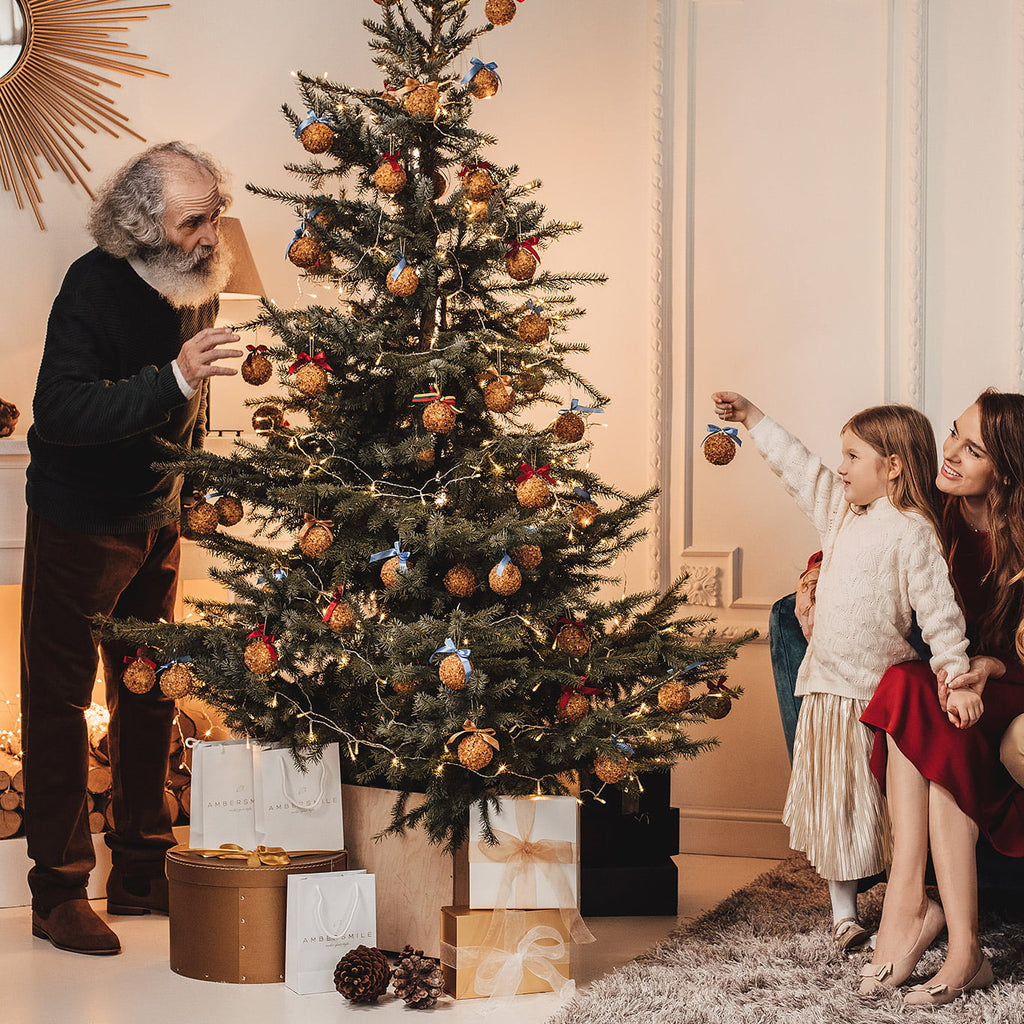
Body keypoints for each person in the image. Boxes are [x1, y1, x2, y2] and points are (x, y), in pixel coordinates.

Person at [21, 141, 243, 955]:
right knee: (58, 701)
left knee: (151, 690)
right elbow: (63, 415)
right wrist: (175, 379)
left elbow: (183, 406)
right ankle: (58, 892)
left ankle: (144, 870)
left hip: (158, 518)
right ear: (143, 225)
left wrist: (191, 490)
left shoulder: (201, 279)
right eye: (194, 220)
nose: (212, 233)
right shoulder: (92, 287)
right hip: (79, 522)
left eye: (214, 213)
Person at [711, 391, 972, 953]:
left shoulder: (915, 533)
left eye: (853, 456)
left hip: (873, 697)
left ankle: (911, 899)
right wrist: (754, 417)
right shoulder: (839, 513)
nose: (841, 467)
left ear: (894, 466)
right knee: (833, 800)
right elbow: (797, 464)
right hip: (824, 691)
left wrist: (952, 671)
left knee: (873, 807)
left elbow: (940, 614)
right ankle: (844, 914)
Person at [859, 391, 1024, 1006]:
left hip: (1007, 690)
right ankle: (939, 923)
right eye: (954, 432)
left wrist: (989, 663)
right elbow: (860, 538)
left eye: (972, 448)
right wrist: (813, 574)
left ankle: (939, 928)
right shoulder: (934, 512)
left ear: (1005, 469)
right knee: (913, 684)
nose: (948, 452)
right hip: (952, 688)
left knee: (922, 692)